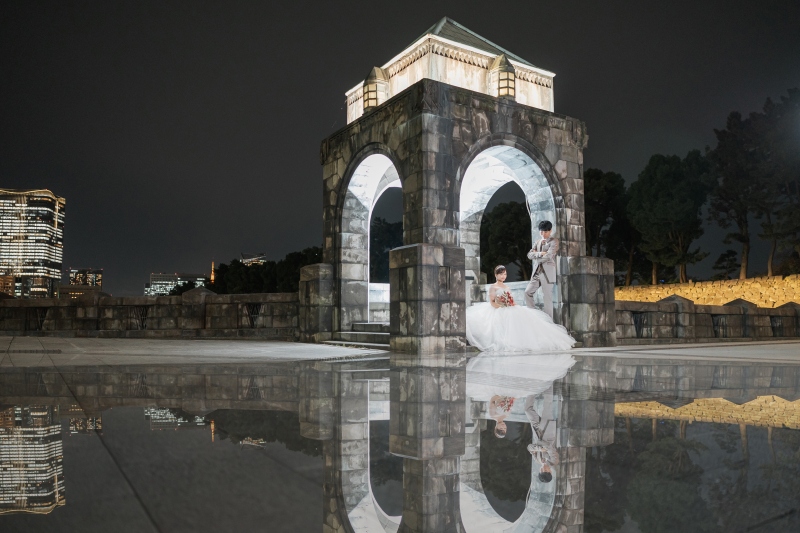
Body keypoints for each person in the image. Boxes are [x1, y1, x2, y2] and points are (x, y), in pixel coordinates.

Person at [466, 265, 575, 352]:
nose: (503, 276)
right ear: (496, 275)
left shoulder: (506, 287)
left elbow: (511, 300)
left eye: (505, 274)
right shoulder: (493, 287)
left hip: (509, 307)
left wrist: (510, 303)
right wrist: (503, 305)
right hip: (498, 309)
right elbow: (493, 303)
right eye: (501, 274)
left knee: (526, 316)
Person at [525, 220, 559, 319]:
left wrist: (536, 256)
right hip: (536, 272)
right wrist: (539, 254)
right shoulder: (537, 242)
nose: (543, 234)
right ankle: (534, 316)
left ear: (550, 231)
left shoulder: (554, 241)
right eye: (541, 232)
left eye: (545, 232)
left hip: (547, 274)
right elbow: (529, 255)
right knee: (527, 292)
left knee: (547, 298)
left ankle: (549, 323)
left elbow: (549, 256)